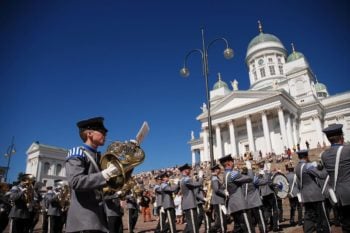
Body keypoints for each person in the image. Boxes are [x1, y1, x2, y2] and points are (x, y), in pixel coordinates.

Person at [65, 116, 120, 233]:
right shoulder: (78, 152)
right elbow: (75, 181)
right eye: (102, 132)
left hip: (99, 218)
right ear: (89, 133)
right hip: (84, 221)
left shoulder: (99, 156)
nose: (105, 135)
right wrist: (104, 175)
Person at [321, 124, 350, 232]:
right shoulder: (347, 150)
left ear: (329, 140)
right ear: (341, 137)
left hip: (337, 196)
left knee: (346, 226)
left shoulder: (323, 155)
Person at [295, 150, 330, 233]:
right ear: (306, 156)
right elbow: (322, 175)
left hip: (306, 196)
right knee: (322, 217)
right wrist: (326, 166)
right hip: (315, 195)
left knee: (309, 217)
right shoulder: (307, 166)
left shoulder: (297, 167)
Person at [220, 155, 254, 233]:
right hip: (240, 204)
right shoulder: (233, 174)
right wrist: (249, 168)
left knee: (239, 228)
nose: (233, 163)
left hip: (233, 205)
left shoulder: (225, 174)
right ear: (228, 163)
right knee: (248, 228)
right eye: (232, 162)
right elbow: (250, 178)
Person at [179, 163, 202, 233]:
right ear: (185, 170)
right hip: (190, 204)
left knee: (190, 225)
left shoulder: (183, 179)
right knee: (193, 225)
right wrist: (200, 177)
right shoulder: (186, 179)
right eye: (188, 169)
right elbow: (198, 184)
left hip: (187, 204)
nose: (190, 170)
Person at [210, 164, 227, 233]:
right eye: (219, 169)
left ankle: (215, 230)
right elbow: (216, 190)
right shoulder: (214, 178)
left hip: (219, 200)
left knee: (221, 217)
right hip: (218, 200)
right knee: (221, 218)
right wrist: (225, 194)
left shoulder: (216, 177)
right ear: (216, 170)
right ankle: (222, 230)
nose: (220, 170)